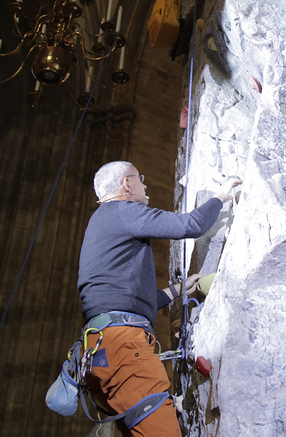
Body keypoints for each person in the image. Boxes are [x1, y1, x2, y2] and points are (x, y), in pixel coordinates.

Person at [77, 161, 239, 436]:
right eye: (139, 178)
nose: (145, 184)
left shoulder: (101, 223)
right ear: (126, 184)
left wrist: (178, 289)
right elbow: (190, 225)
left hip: (101, 352)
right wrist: (220, 197)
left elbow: (131, 301)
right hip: (123, 348)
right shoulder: (122, 211)